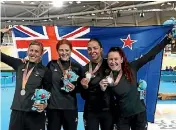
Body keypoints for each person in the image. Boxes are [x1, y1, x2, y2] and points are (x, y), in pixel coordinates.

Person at [99, 34, 172, 130]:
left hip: (139, 114)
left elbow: (149, 55)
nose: (113, 62)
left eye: (116, 59)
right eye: (110, 59)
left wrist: (167, 40)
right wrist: (103, 90)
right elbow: (107, 101)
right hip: (122, 117)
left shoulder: (131, 67)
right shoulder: (107, 78)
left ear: (121, 59)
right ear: (107, 61)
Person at [0, 40, 52, 130]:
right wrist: (1, 34)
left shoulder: (45, 71)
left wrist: (45, 105)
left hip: (35, 114)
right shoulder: (19, 64)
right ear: (27, 51)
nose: (33, 53)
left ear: (41, 53)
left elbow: (50, 92)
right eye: (31, 50)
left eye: (36, 51)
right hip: (17, 112)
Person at [46, 39, 83, 130]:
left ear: (71, 51)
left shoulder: (76, 67)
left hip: (70, 108)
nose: (64, 53)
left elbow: (82, 88)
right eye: (61, 50)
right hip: (53, 108)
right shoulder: (51, 65)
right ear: (57, 51)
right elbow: (45, 83)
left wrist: (75, 88)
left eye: (67, 50)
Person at [80, 38, 113, 130]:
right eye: (89, 49)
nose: (92, 51)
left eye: (95, 48)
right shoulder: (84, 69)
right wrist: (85, 87)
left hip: (108, 110)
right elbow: (83, 96)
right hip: (91, 111)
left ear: (101, 50)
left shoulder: (110, 64)